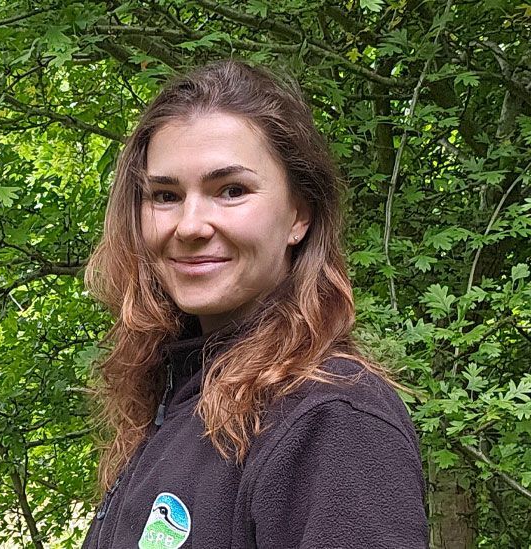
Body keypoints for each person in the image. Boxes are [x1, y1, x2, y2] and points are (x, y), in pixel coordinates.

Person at [81, 60, 427, 548]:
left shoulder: (332, 423)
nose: (191, 225)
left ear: (299, 216)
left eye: (232, 191)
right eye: (165, 195)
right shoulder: (176, 399)